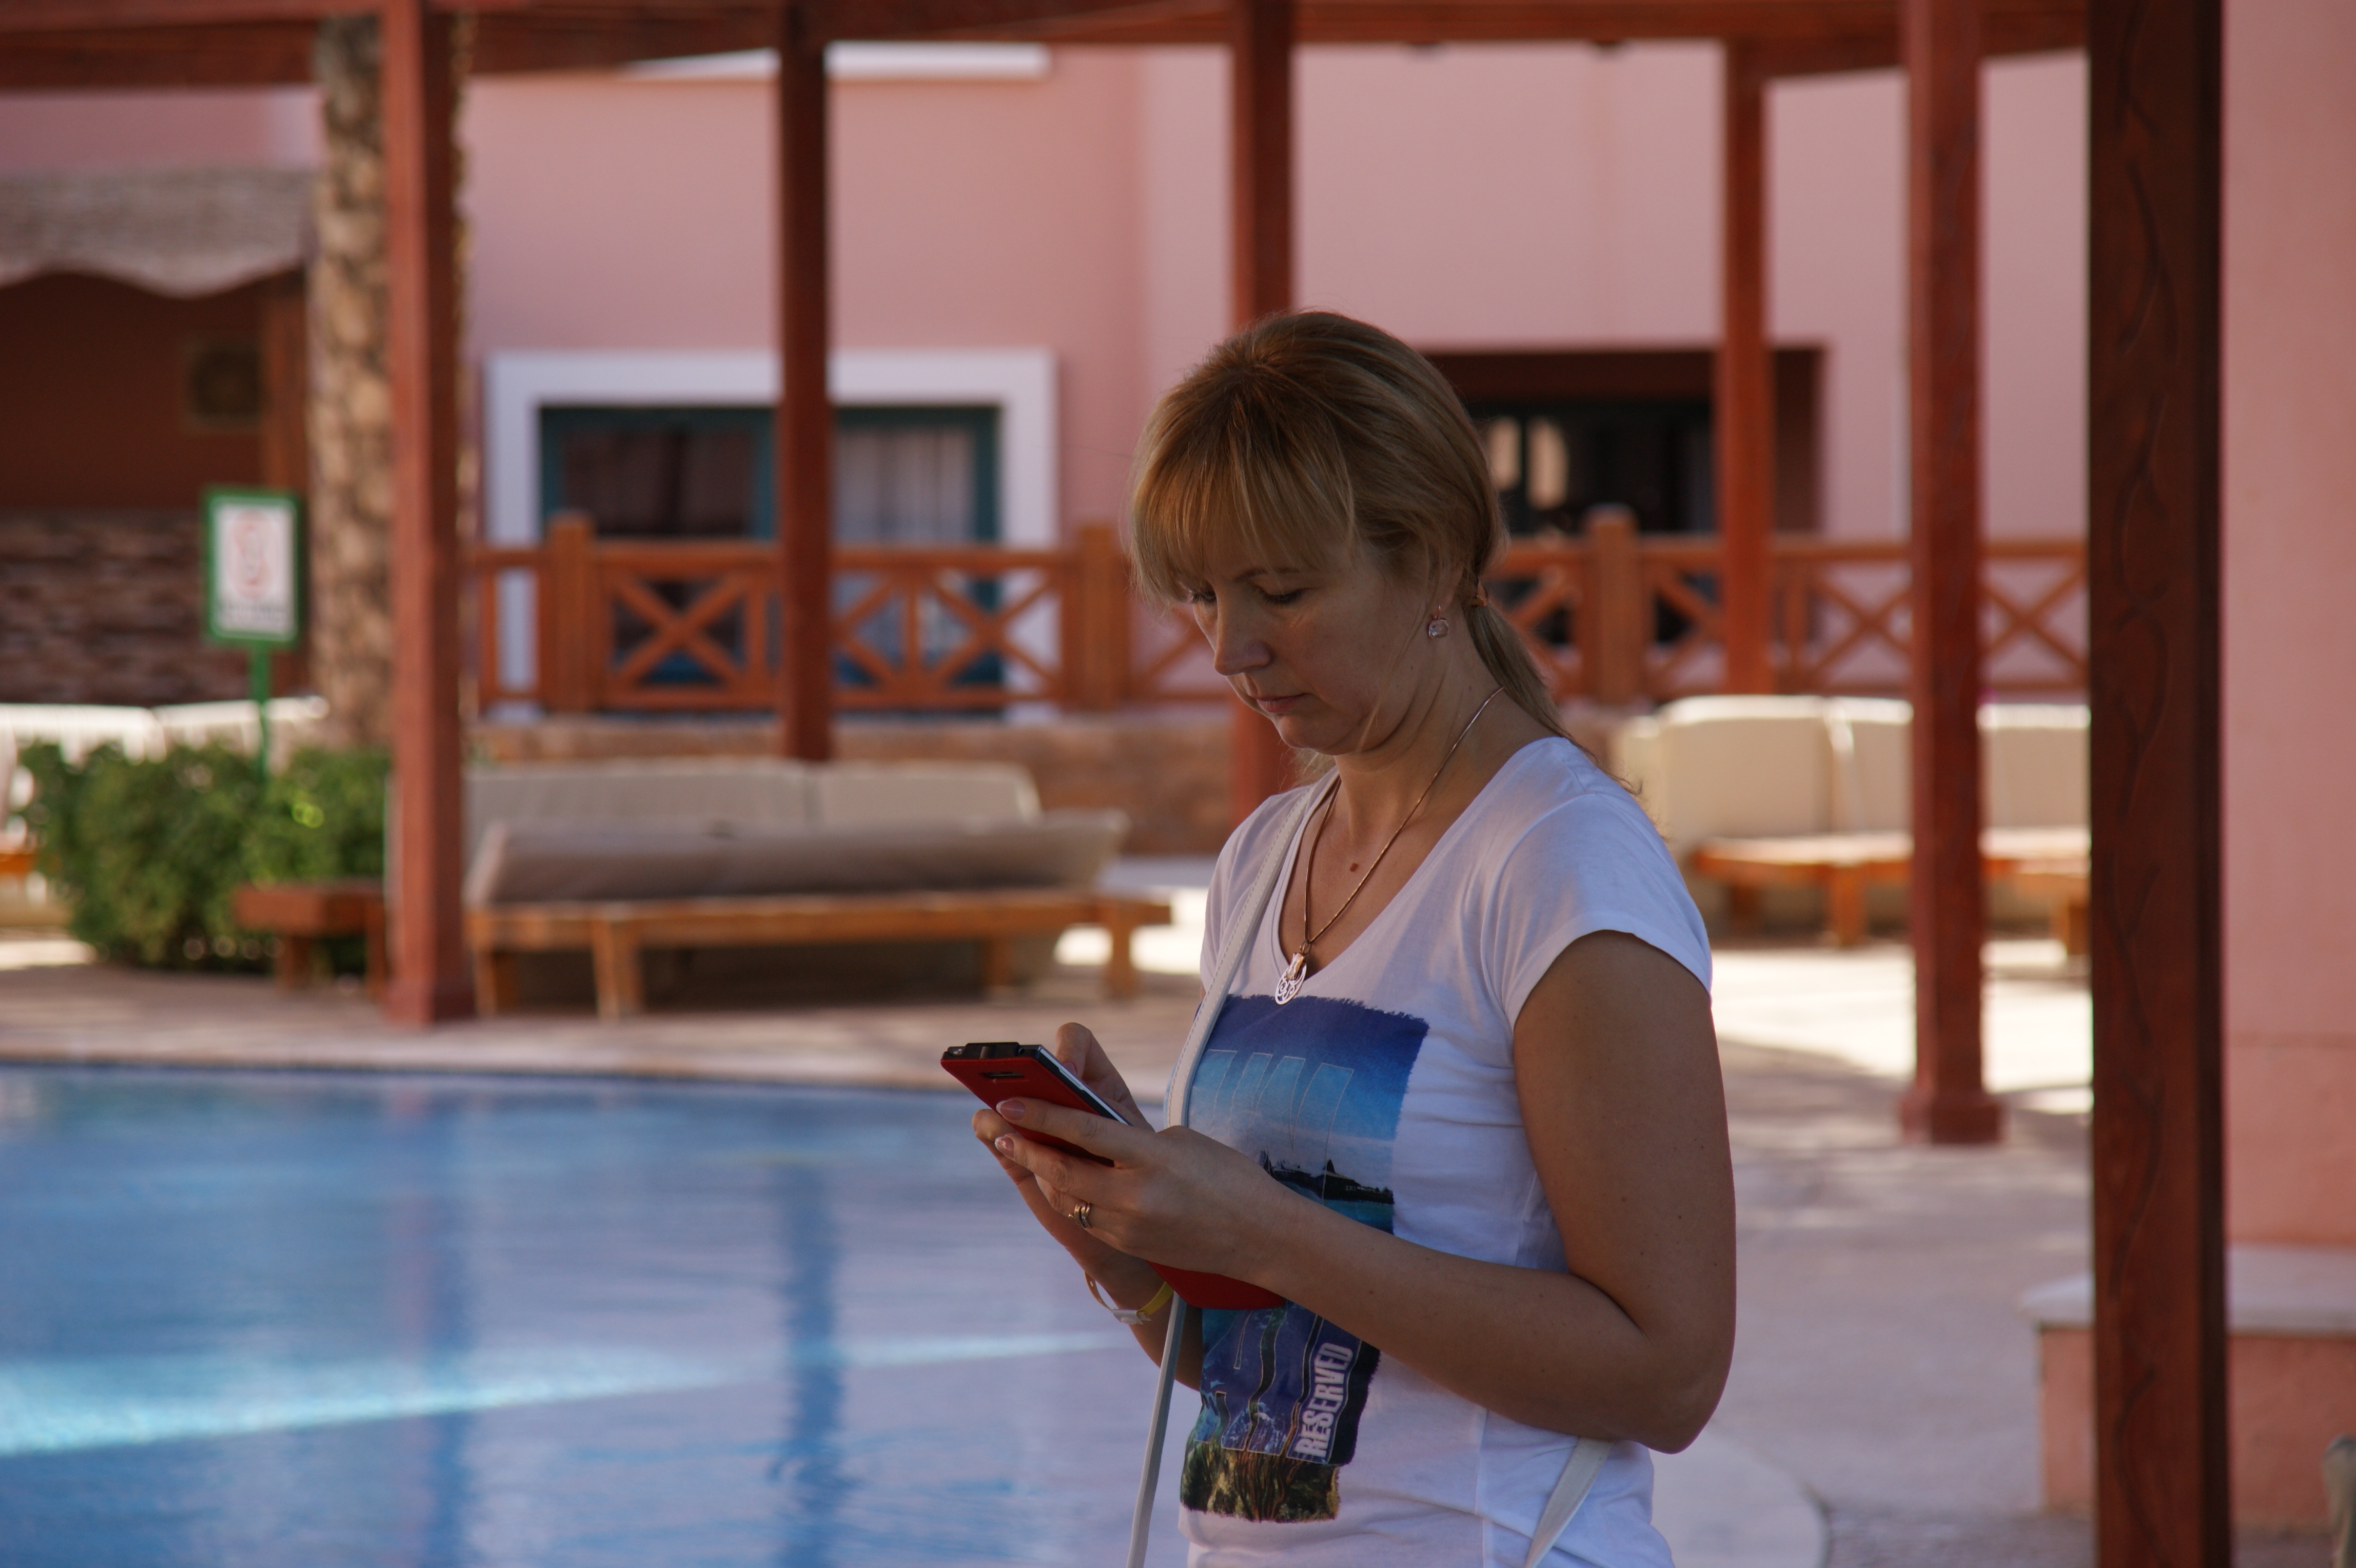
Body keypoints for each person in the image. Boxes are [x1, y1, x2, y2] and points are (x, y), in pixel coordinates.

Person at [972, 310, 1734, 1566]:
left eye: (1282, 592)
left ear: (1432, 563)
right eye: (1202, 596)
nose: (1232, 648)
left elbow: (1668, 1375)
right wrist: (1122, 1238)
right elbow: (1272, 1357)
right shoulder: (1265, 856)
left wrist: (1266, 1229)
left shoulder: (1557, 861)